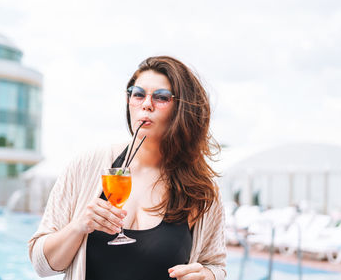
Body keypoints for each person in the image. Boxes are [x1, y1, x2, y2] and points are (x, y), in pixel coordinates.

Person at [28, 56, 226, 280]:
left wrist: (208, 275)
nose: (146, 104)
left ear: (181, 109)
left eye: (161, 97)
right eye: (138, 94)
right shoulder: (87, 165)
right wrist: (78, 226)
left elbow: (216, 265)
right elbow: (41, 266)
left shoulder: (200, 190)